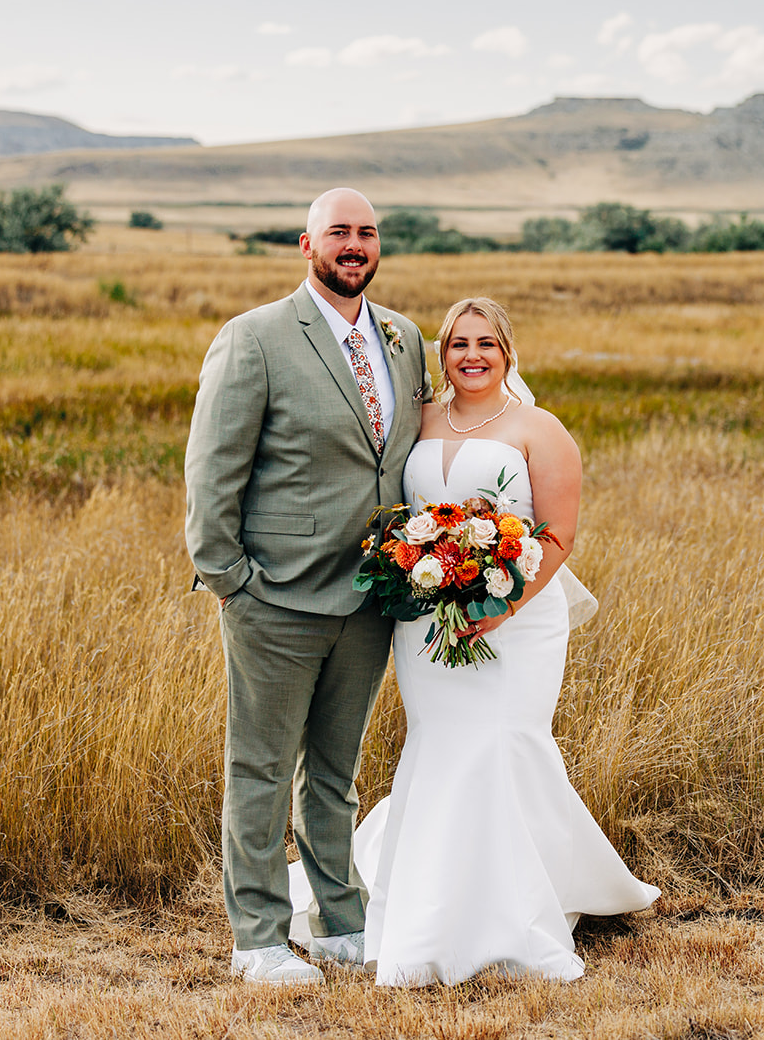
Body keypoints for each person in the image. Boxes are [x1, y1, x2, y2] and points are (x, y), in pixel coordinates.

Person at [288, 297, 659, 986]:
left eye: (486, 342)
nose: (472, 355)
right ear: (442, 353)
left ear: (508, 351)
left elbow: (556, 534)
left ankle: (515, 912)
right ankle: (431, 907)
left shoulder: (539, 428)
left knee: (501, 741)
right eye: (459, 343)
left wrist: (503, 603)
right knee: (441, 744)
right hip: (426, 616)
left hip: (519, 617)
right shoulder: (418, 420)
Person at [184, 188, 431, 986]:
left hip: (370, 596)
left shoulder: (404, 337)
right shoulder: (253, 338)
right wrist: (230, 578)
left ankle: (340, 921)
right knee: (259, 769)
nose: (353, 245)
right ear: (307, 245)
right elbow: (212, 468)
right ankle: (256, 936)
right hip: (276, 598)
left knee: (335, 771)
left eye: (365, 232)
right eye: (338, 233)